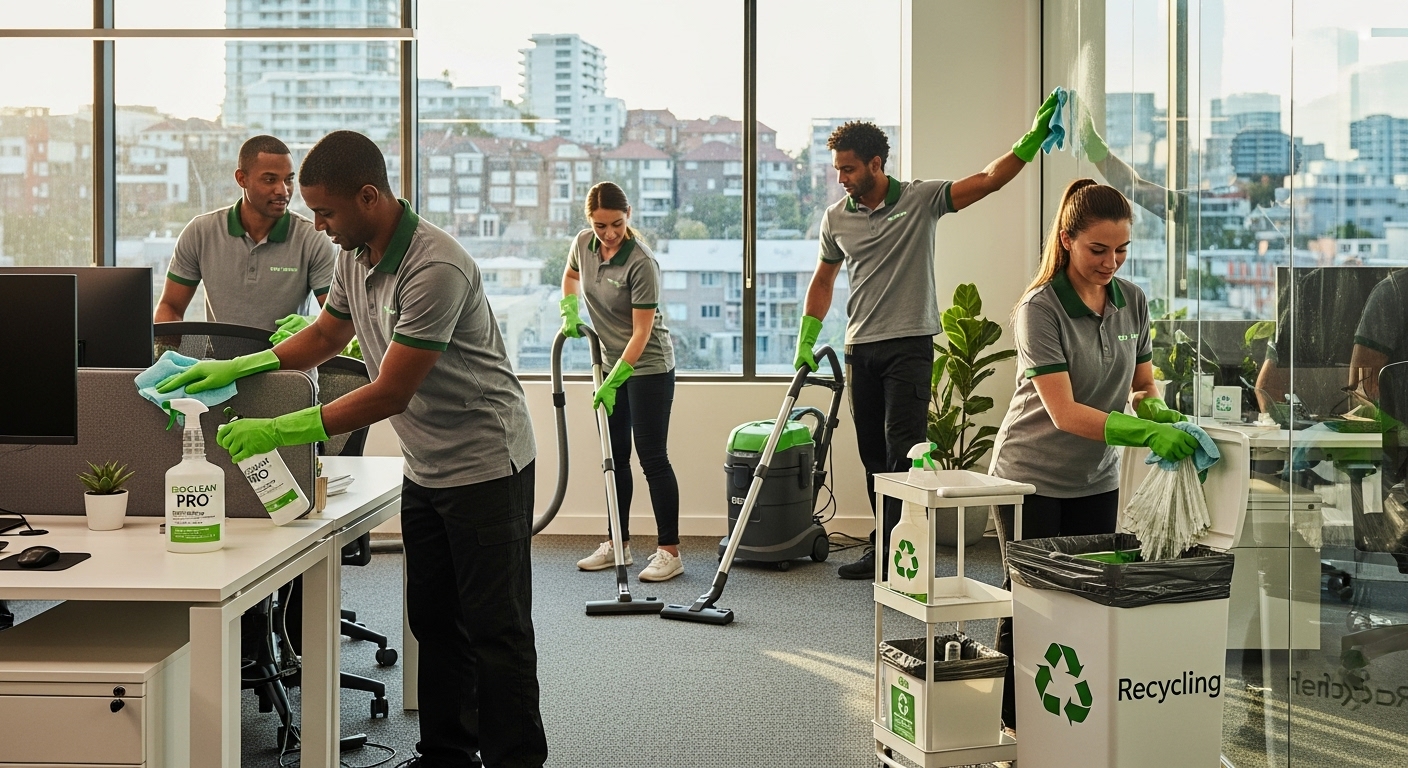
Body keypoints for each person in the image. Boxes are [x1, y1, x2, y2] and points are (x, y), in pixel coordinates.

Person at [155, 130, 546, 768]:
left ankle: (516, 761)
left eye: (326, 212)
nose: (317, 225)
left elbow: (390, 390)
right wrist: (243, 365)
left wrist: (280, 429)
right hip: (427, 463)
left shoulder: (434, 267)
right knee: (434, 621)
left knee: (495, 629)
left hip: (484, 463)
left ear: (368, 196)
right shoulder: (353, 253)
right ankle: (446, 755)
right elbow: (325, 337)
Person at [795, 100, 1060, 580]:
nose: (841, 178)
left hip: (910, 345)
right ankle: (886, 547)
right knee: (874, 456)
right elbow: (823, 280)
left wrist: (1031, 140)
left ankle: (906, 550)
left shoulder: (921, 199)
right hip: (860, 348)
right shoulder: (836, 218)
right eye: (837, 170)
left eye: (849, 169)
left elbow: (988, 180)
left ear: (876, 163)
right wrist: (806, 337)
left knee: (905, 451)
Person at [987, 179, 1199, 730]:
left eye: (1122, 250)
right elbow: (1064, 413)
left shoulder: (1134, 301)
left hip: (1096, 478)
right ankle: (1013, 728)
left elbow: (1142, 386)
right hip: (1030, 477)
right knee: (1030, 601)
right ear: (1067, 240)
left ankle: (1071, 727)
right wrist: (1145, 434)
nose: (1111, 262)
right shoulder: (1039, 308)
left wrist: (1156, 410)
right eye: (1098, 249)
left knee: (1088, 599)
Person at [559, 182, 683, 582]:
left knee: (652, 457)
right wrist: (569, 311)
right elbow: (570, 276)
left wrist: (614, 380)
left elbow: (642, 333)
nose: (609, 233)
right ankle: (618, 542)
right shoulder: (583, 243)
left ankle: (669, 552)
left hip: (649, 367)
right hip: (610, 364)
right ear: (589, 222)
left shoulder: (642, 262)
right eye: (600, 226)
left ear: (628, 215)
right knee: (614, 459)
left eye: (616, 224)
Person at [154, 135, 336, 345]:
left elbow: (336, 320)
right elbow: (170, 307)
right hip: (220, 364)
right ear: (242, 179)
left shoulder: (313, 239)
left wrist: (312, 324)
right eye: (270, 180)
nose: (283, 190)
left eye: (288, 179)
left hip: (287, 364)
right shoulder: (200, 232)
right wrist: (168, 355)